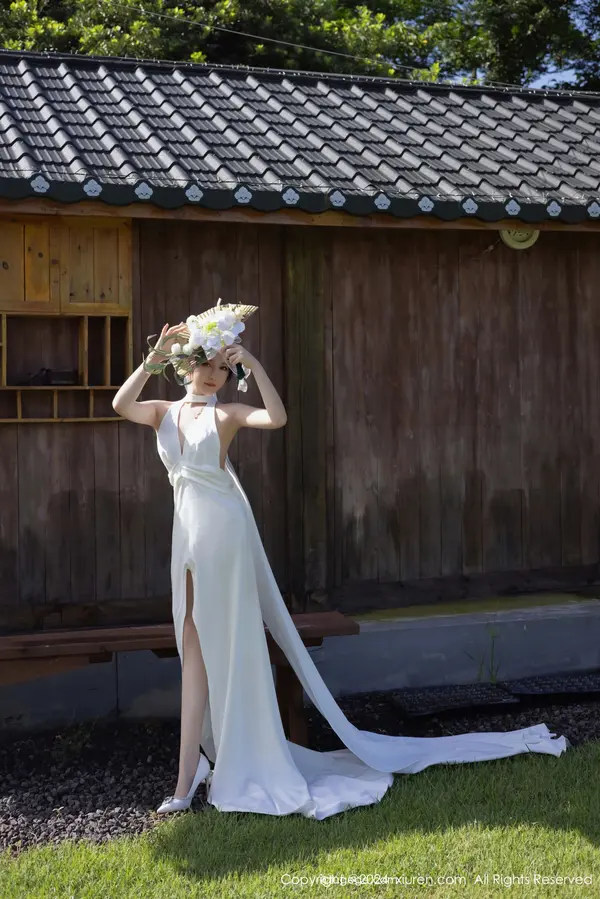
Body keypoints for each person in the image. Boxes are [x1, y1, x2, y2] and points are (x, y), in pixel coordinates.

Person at [112, 317, 570, 821]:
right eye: (208, 364)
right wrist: (154, 357)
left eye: (224, 367)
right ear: (187, 365)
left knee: (228, 647)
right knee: (193, 648)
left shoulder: (228, 415)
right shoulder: (163, 412)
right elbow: (121, 404)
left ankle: (220, 764)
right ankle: (189, 774)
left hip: (223, 534)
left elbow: (277, 418)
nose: (215, 374)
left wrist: (254, 365)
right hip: (186, 535)